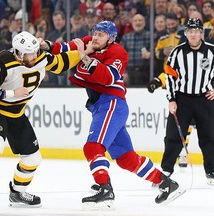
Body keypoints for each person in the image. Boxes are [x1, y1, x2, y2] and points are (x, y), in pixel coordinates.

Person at [41, 20, 185, 209]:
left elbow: (108, 77)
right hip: (101, 105)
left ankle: (104, 188)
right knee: (126, 158)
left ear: (111, 38)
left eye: (101, 34)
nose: (96, 36)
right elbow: (65, 48)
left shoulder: (118, 52)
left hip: (111, 103)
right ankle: (166, 183)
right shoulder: (89, 42)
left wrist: (85, 57)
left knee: (92, 147)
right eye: (95, 32)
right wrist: (47, 45)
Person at [0, 31, 81, 213]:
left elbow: (62, 63)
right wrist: (10, 94)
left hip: (16, 114)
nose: (34, 57)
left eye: (35, 52)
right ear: (17, 52)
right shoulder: (3, 60)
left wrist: (84, 51)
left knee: (33, 158)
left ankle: (17, 192)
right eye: (29, 54)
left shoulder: (40, 57)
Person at [161, 18, 214, 185]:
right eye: (190, 31)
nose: (194, 34)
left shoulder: (212, 51)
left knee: (209, 137)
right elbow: (169, 77)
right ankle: (166, 170)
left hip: (205, 99)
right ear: (186, 33)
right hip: (182, 99)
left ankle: (211, 171)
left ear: (201, 33)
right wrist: (171, 99)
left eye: (197, 31)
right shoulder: (177, 52)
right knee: (173, 136)